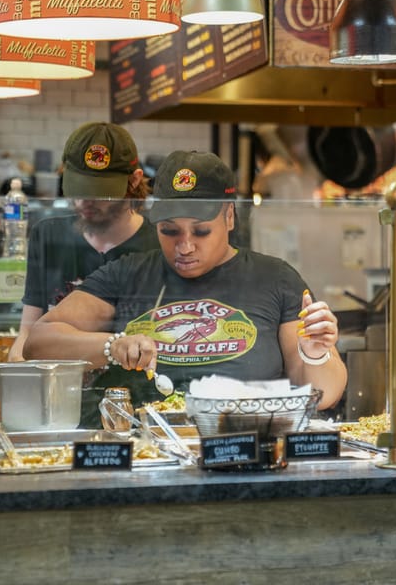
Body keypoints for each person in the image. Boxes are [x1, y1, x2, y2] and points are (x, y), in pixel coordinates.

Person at [24, 150, 347, 423]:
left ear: (230, 217)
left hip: (243, 445)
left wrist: (316, 355)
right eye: (170, 231)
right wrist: (111, 345)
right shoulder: (128, 273)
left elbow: (323, 397)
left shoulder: (275, 279)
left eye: (201, 231)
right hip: (145, 448)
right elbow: (39, 340)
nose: (185, 246)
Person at [0, 122, 158, 413]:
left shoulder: (160, 244)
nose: (85, 202)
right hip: (60, 400)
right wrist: (16, 386)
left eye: (100, 193)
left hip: (135, 405)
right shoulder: (48, 235)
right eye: (77, 189)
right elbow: (28, 333)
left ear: (134, 180)